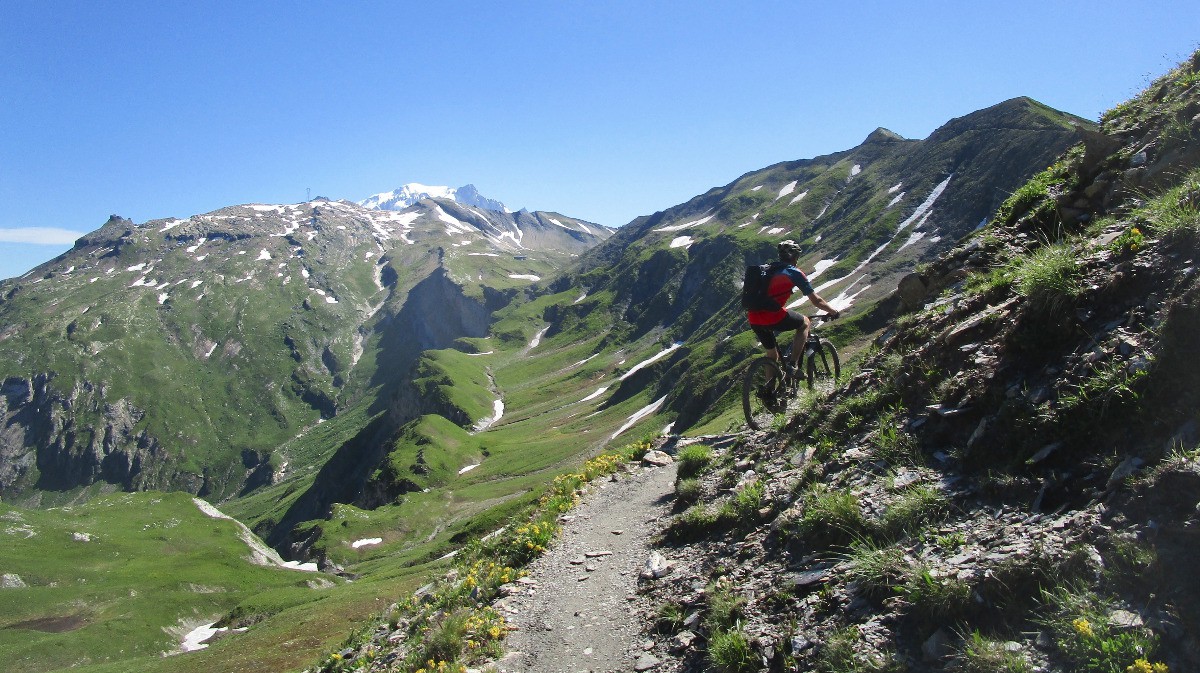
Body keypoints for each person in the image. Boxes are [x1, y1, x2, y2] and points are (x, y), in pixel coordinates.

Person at [746, 240, 841, 375]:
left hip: (754, 317)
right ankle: (793, 364)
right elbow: (817, 301)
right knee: (804, 323)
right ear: (796, 257)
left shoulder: (767, 269)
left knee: (772, 356)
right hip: (773, 316)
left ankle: (769, 392)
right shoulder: (794, 272)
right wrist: (833, 311)